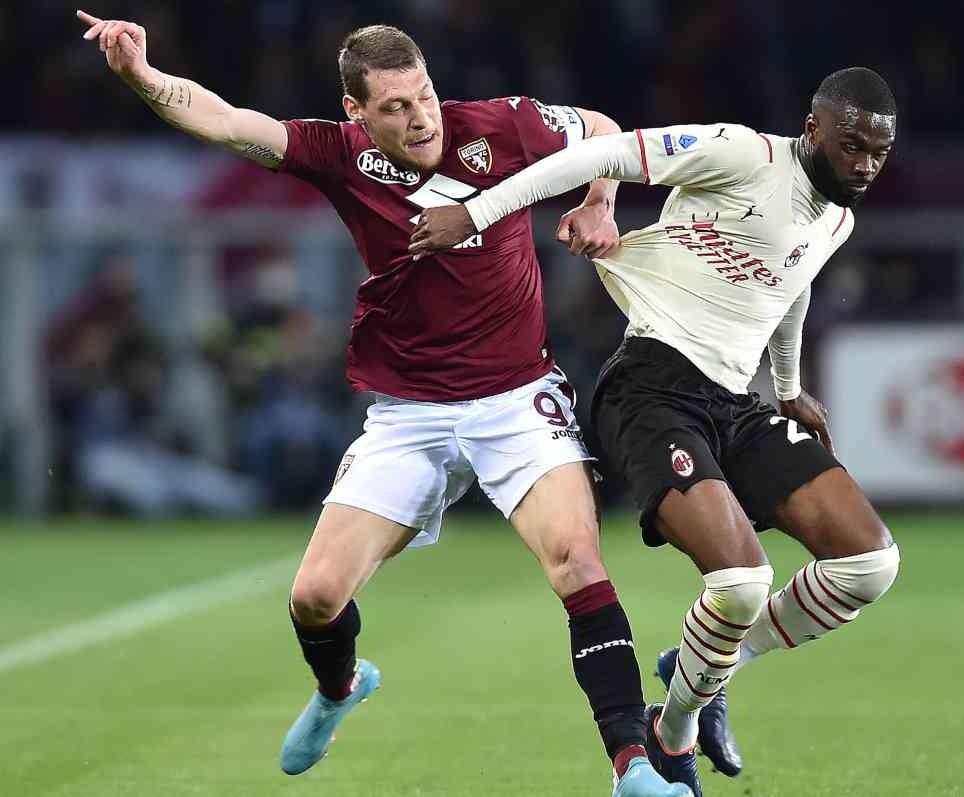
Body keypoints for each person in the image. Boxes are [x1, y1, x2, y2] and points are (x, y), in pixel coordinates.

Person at [77, 11, 690, 797]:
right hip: (408, 415)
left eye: (425, 95)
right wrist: (141, 77)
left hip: (516, 399)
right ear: (357, 113)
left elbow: (605, 129)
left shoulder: (503, 126)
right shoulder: (338, 155)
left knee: (577, 558)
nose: (421, 117)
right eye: (395, 107)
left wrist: (602, 199)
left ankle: (631, 766)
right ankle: (340, 688)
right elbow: (227, 121)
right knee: (314, 596)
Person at [413, 67, 904, 796]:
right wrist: (478, 213)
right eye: (850, 145)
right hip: (651, 389)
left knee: (870, 564)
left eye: (877, 154)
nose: (863, 166)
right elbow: (601, 154)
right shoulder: (741, 154)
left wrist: (791, 389)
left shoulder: (838, 216)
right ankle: (674, 736)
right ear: (813, 130)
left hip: (736, 403)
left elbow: (789, 283)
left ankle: (698, 677)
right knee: (740, 581)